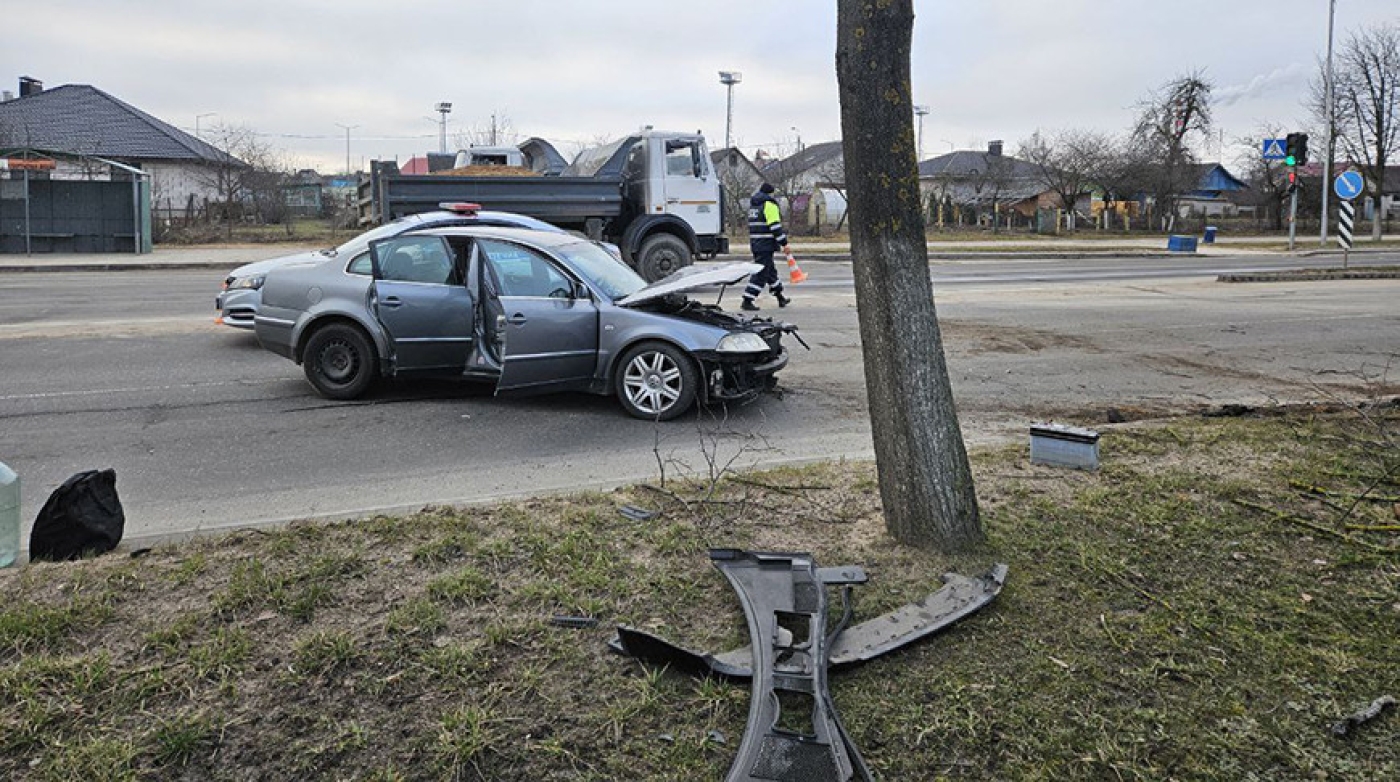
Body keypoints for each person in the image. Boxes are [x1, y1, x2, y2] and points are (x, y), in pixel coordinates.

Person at [741, 182, 791, 311]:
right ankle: (748, 299)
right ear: (770, 193)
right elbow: (774, 226)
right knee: (761, 273)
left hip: (756, 243)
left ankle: (780, 297)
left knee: (770, 272)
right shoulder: (769, 205)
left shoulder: (754, 205)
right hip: (766, 244)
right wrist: (784, 242)